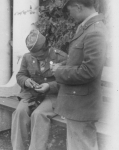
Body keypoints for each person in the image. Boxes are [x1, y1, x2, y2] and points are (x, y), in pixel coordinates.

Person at [51, 0, 108, 150]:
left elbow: (89, 71)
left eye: (70, 10)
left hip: (82, 104)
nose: (69, 15)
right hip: (77, 102)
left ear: (78, 6)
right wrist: (63, 66)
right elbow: (78, 61)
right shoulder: (86, 27)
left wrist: (58, 71)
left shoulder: (95, 31)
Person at [11, 29, 67, 150]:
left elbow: (67, 82)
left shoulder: (61, 57)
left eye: (40, 56)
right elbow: (20, 75)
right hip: (31, 94)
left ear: (47, 47)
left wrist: (49, 86)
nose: (38, 58)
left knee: (39, 115)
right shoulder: (27, 57)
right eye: (34, 56)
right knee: (19, 112)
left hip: (53, 96)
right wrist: (26, 81)